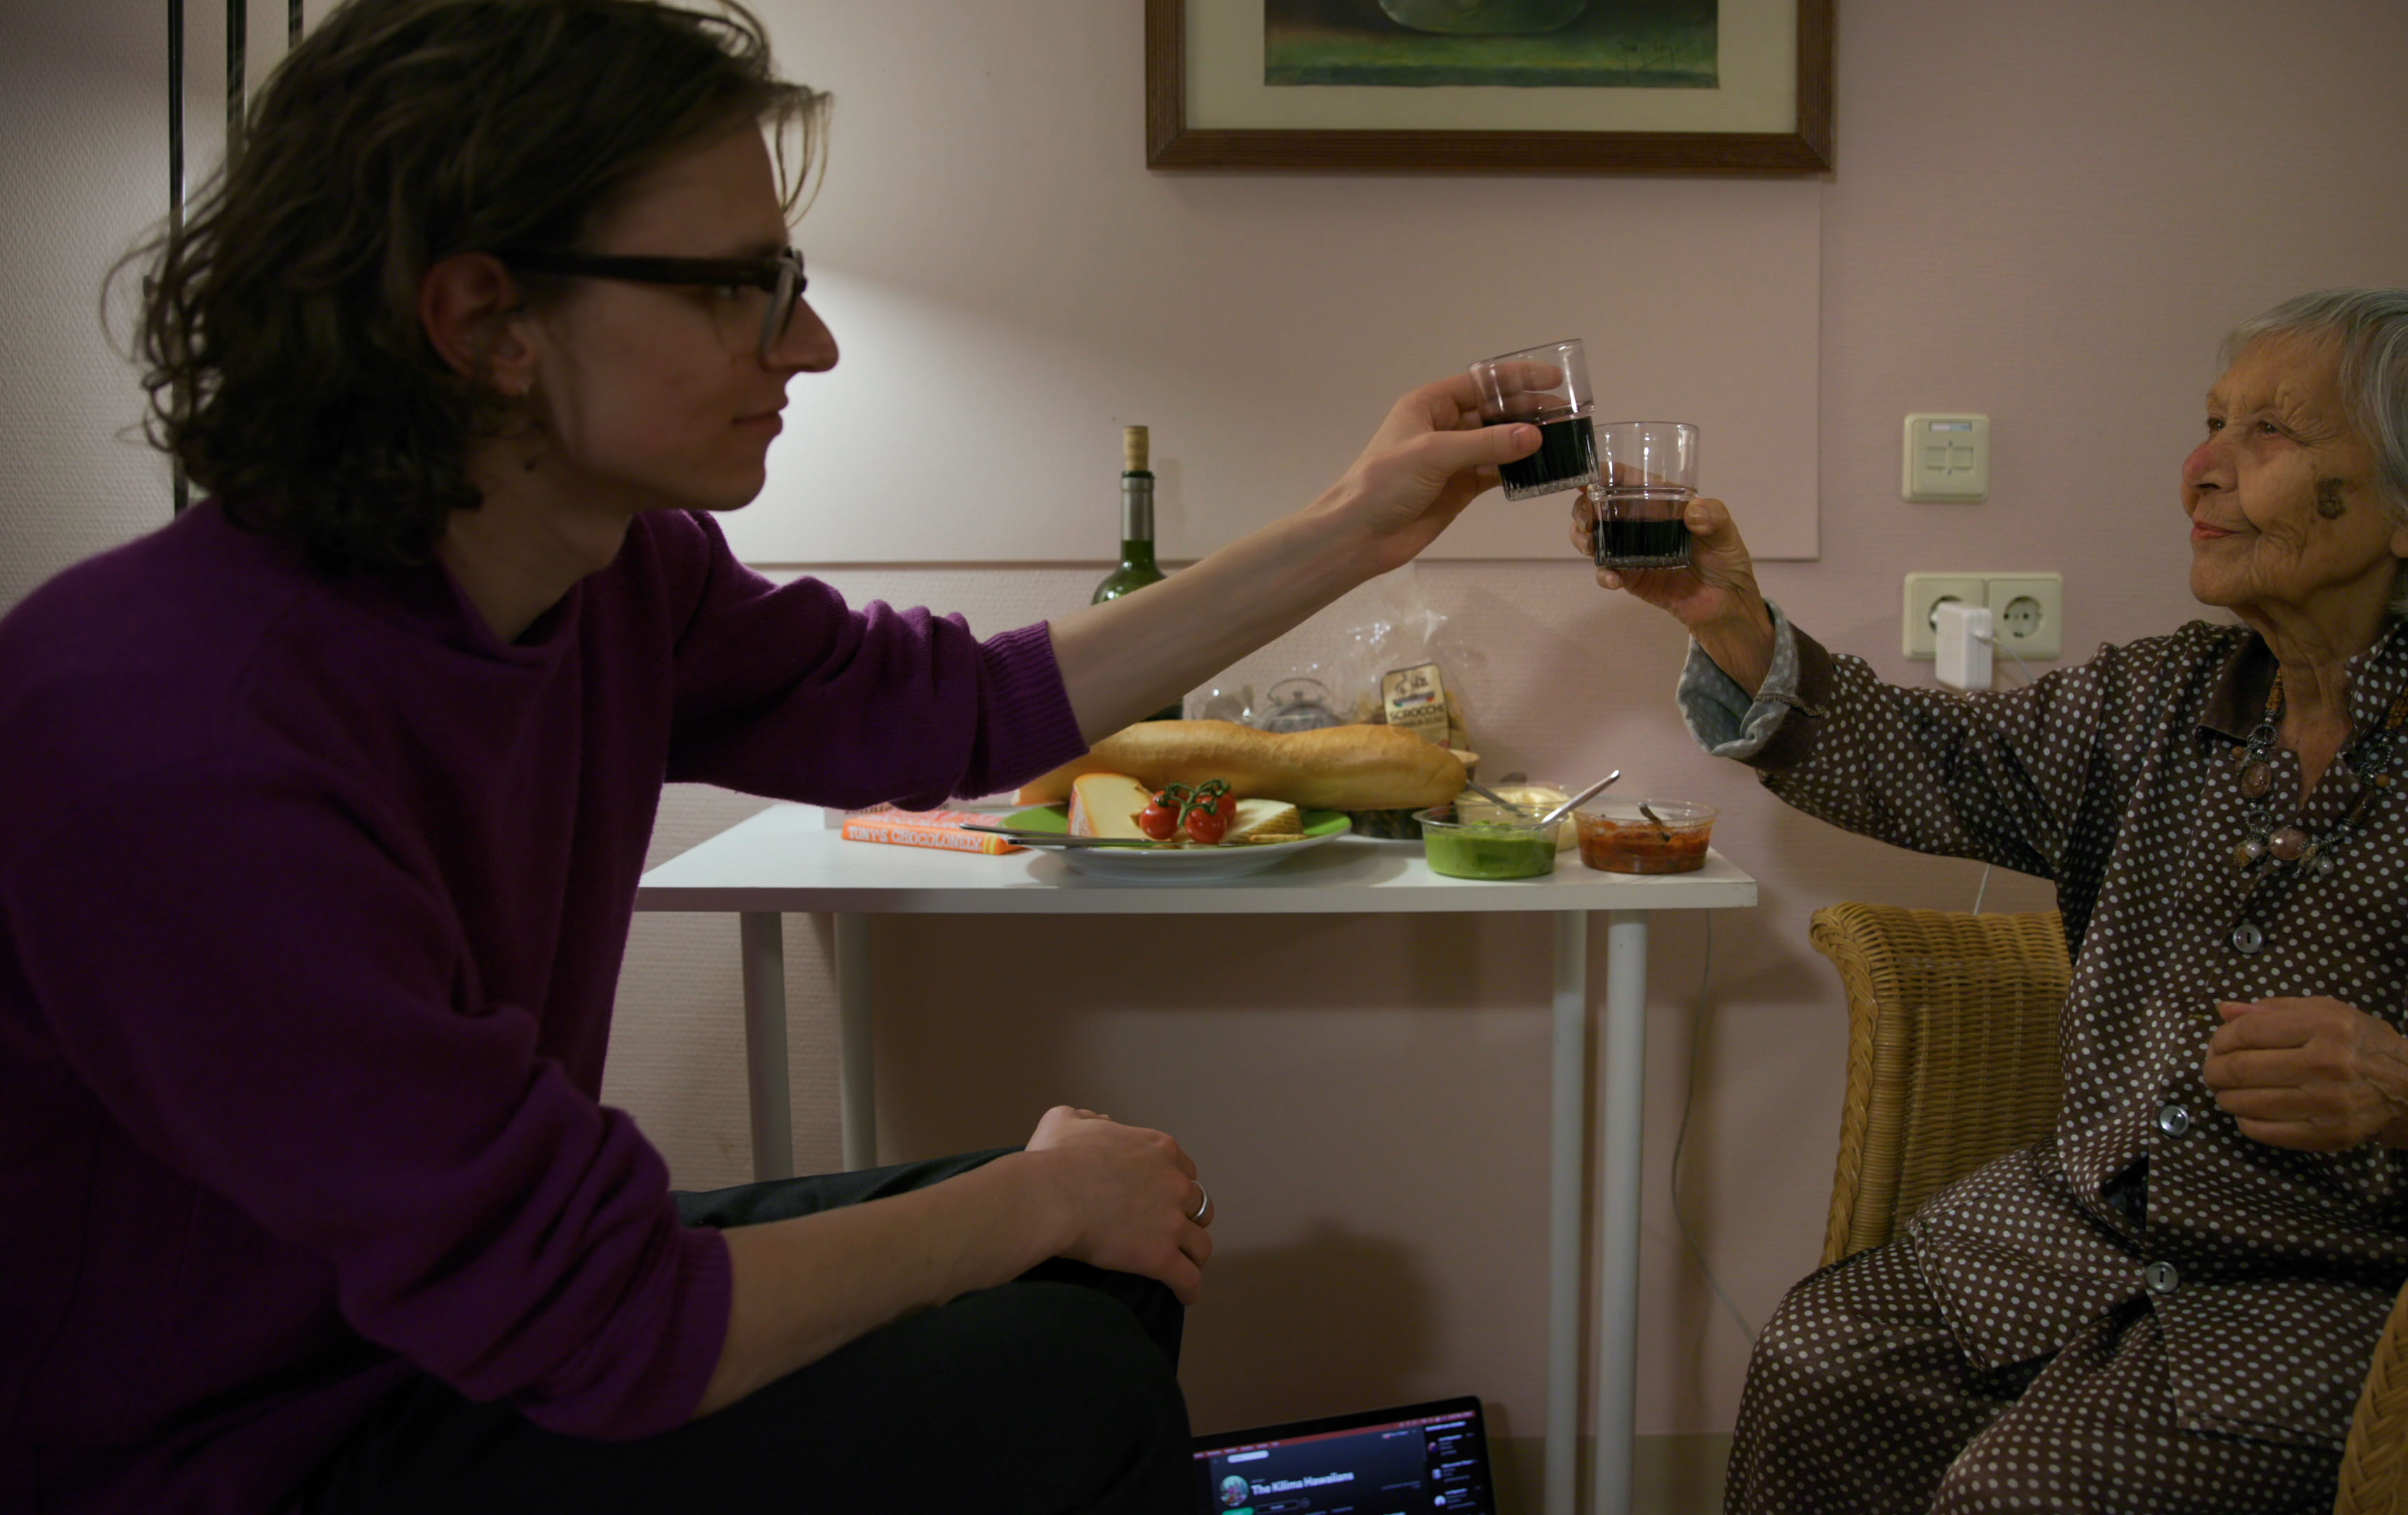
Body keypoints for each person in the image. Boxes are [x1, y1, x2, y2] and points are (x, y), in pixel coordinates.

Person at [0, 2, 1543, 1512]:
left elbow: (953, 707)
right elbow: (601, 1322)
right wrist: (1031, 1194)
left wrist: (1357, 527)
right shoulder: (175, 732)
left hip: (450, 1334)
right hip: (239, 1445)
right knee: (1061, 1374)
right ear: (484, 323)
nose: (809, 342)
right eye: (744, 287)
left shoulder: (616, 578)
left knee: (1107, 1266)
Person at [1586, 288, 2408, 1513]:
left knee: (2028, 1492)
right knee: (1822, 1364)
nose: (2201, 471)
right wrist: (1734, 623)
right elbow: (1930, 761)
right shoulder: (2166, 698)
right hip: (2079, 1240)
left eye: (2269, 434)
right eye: (2212, 425)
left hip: (2350, 1295)